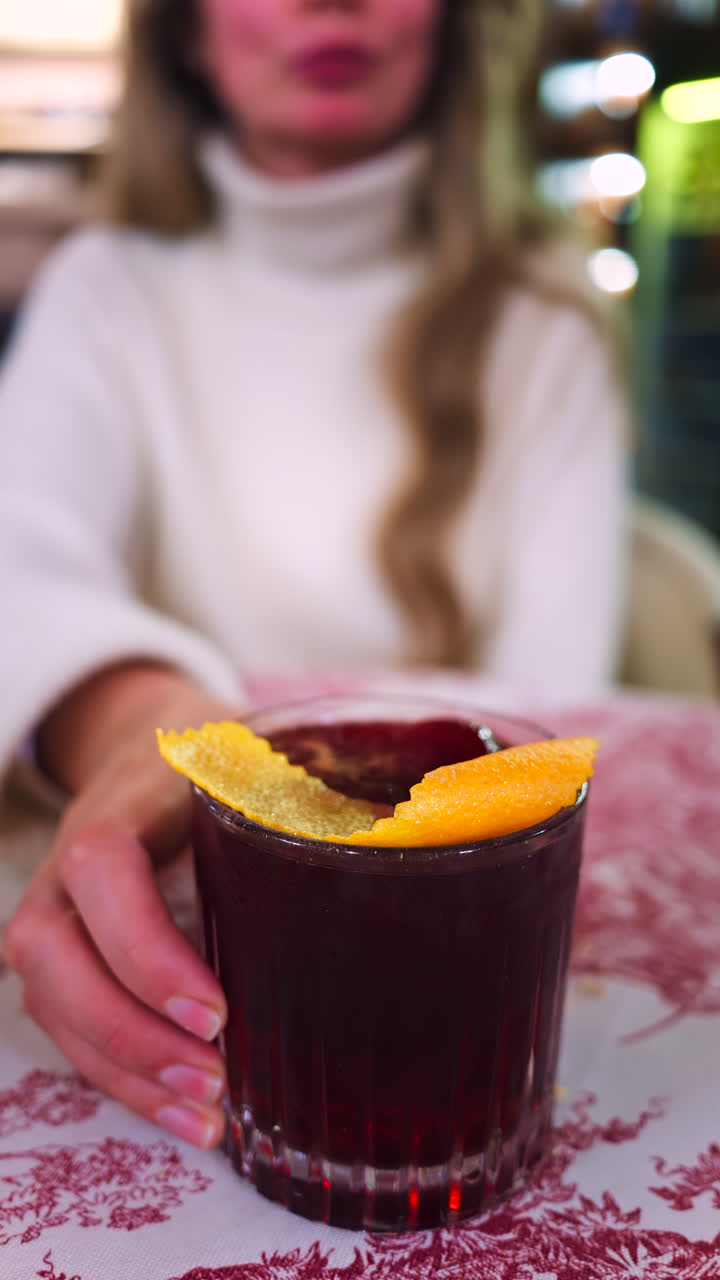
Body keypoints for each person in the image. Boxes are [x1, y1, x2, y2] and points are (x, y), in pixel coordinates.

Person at [0, 0, 628, 1150]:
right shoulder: (105, 287)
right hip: (221, 933)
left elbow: (543, 727)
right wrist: (141, 719)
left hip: (454, 977)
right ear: (183, 33)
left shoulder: (545, 321)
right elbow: (18, 561)